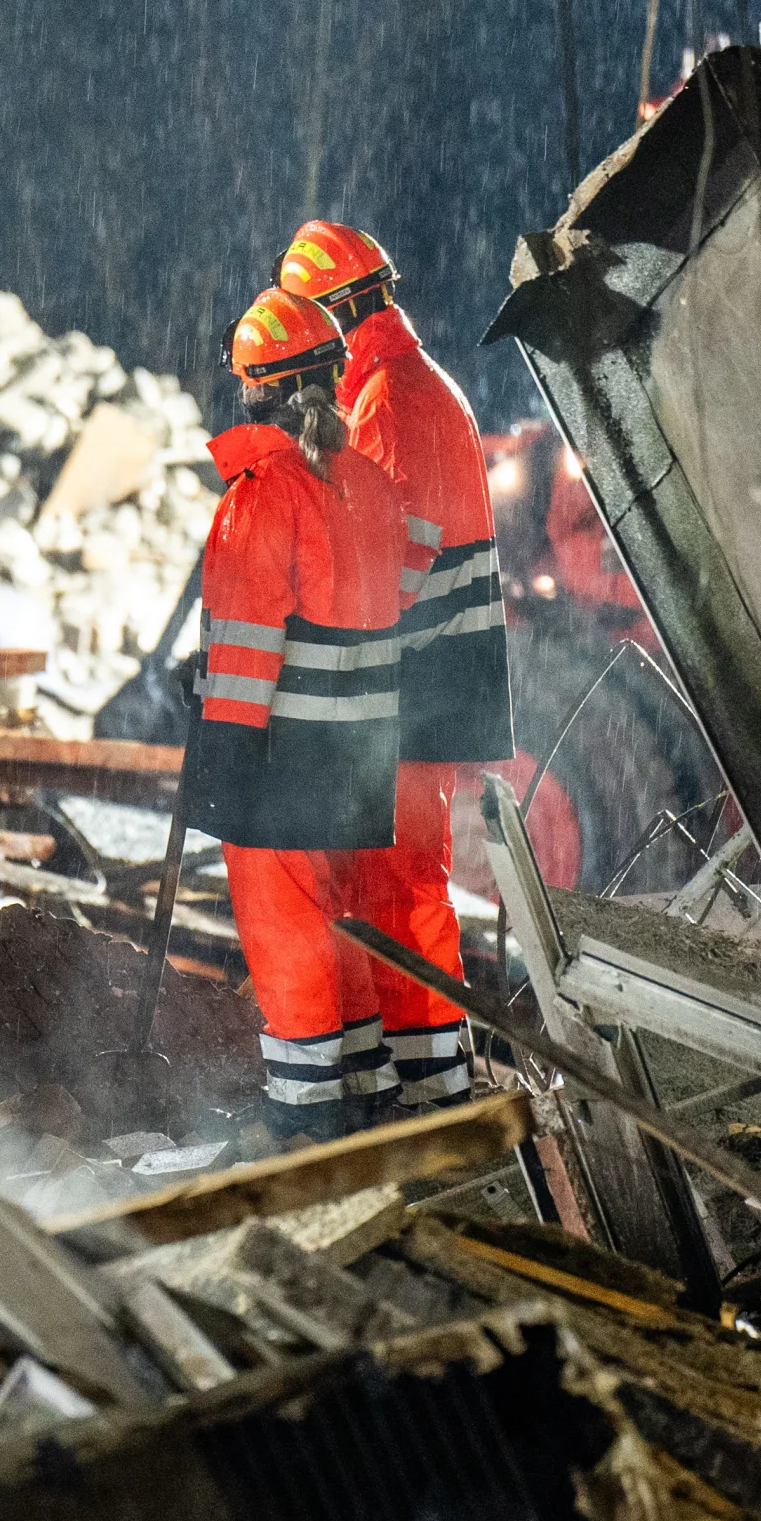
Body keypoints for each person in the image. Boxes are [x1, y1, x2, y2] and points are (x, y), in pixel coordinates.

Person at [273, 219, 509, 1109]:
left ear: (331, 316)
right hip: (434, 676)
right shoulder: (411, 382)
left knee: (401, 880)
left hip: (418, 681)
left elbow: (395, 551)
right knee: (397, 878)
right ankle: (422, 1074)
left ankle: (428, 1083)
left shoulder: (389, 397)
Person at [179, 286, 410, 1134]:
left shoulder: (260, 495)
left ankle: (307, 1114)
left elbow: (244, 651)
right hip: (359, 755)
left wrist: (220, 752)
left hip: (282, 755)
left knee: (287, 931)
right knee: (342, 921)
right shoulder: (373, 490)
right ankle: (363, 1081)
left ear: (256, 389)